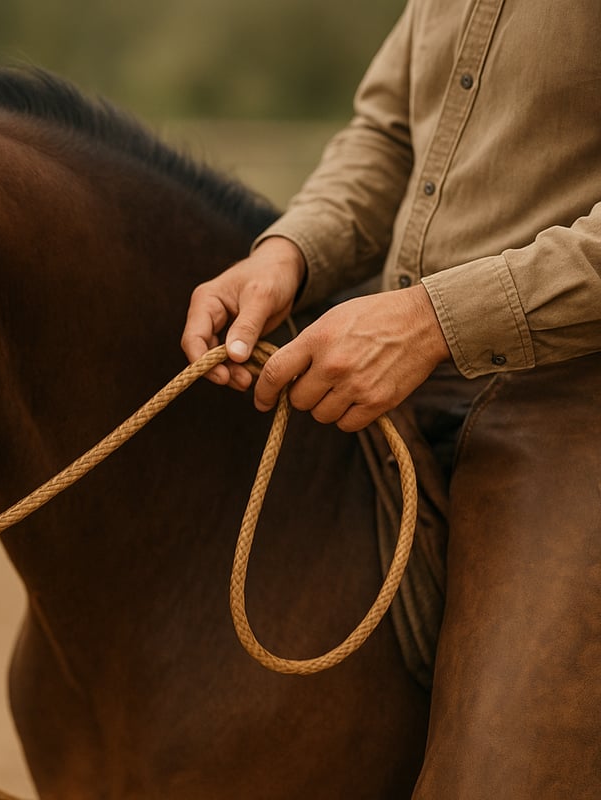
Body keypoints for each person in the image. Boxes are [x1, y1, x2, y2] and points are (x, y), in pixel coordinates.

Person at [182, 0, 601, 796]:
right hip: (399, 374)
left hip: (576, 399)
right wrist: (290, 251)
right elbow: (389, 135)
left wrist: (433, 322)